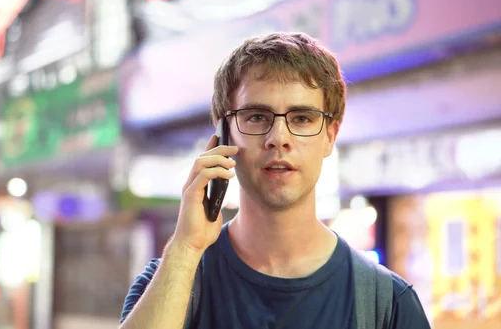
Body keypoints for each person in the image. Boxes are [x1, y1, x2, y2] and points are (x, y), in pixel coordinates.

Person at [119, 32, 430, 329]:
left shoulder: (388, 304)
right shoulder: (172, 284)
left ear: (330, 136)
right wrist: (186, 248)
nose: (278, 138)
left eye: (302, 118)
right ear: (223, 134)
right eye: (257, 117)